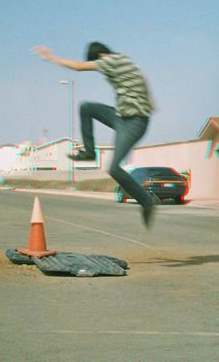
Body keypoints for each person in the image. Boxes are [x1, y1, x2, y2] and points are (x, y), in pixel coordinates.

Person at [33, 42, 158, 228]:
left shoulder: (109, 60)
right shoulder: (125, 60)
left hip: (134, 123)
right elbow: (142, 77)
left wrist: (51, 58)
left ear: (100, 55)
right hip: (121, 117)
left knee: (114, 169)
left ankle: (147, 201)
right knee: (87, 108)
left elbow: (78, 67)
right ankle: (89, 152)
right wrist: (151, 102)